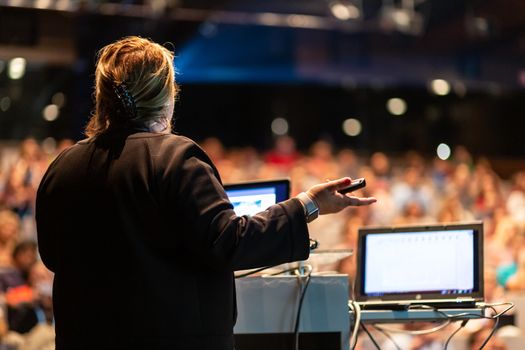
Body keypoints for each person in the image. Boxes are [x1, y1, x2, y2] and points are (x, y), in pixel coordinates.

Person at [35, 36, 376, 350]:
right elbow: (229, 242)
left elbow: (52, 256)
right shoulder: (175, 157)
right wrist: (308, 205)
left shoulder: (64, 165)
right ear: (166, 96)